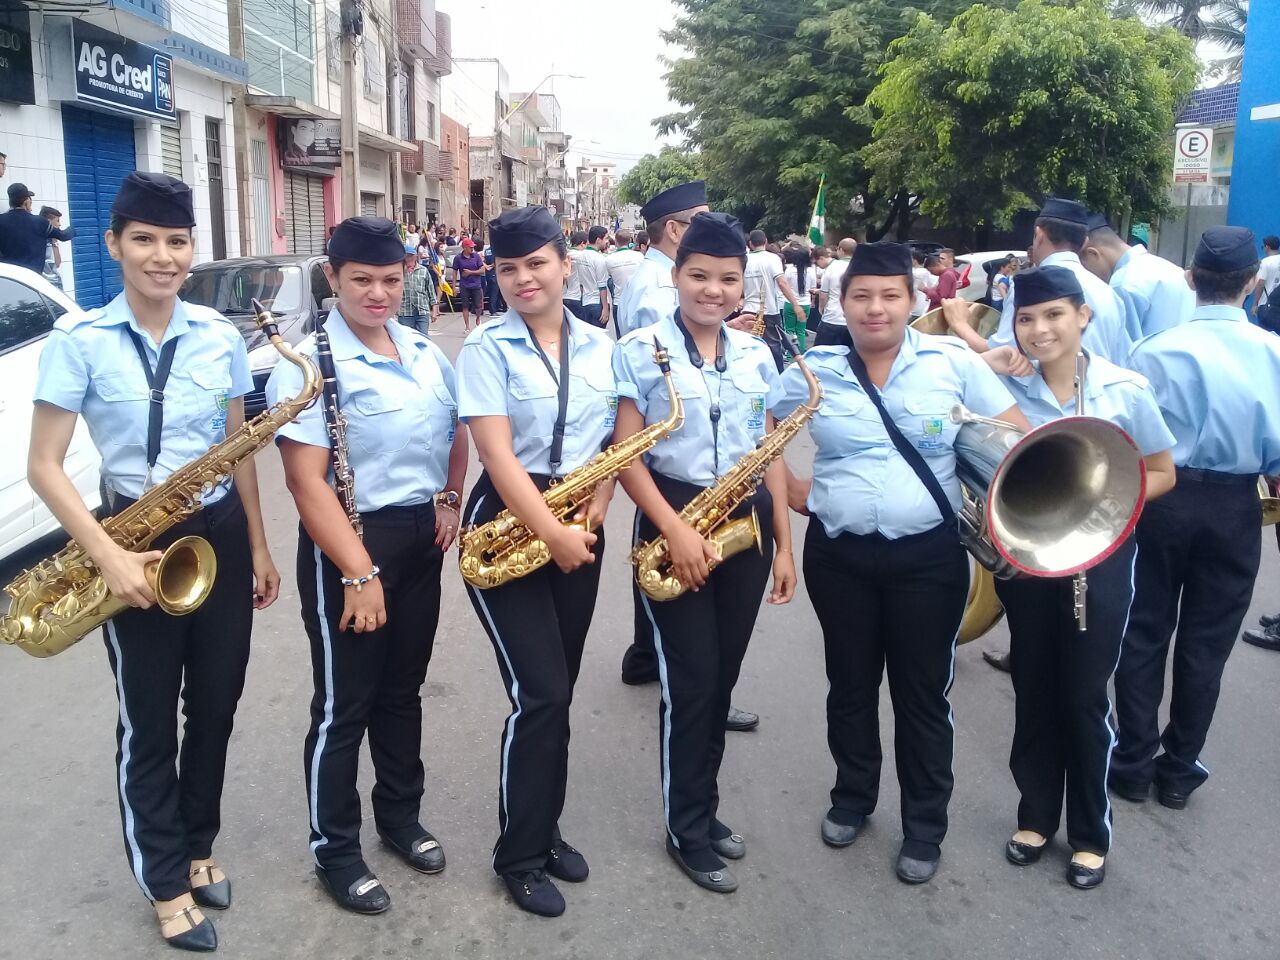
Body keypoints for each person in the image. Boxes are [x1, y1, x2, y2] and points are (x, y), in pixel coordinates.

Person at [28, 172, 279, 952]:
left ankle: (199, 845)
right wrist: (107, 555)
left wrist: (258, 545)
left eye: (177, 241)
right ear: (114, 245)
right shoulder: (79, 342)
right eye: (144, 240)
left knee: (216, 705)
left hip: (218, 532)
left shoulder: (220, 336)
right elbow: (44, 465)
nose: (162, 256)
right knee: (148, 721)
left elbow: (238, 449)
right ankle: (166, 881)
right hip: (131, 537)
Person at [773, 241, 1029, 885]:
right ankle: (852, 798)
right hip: (839, 557)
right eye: (861, 295)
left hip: (927, 560)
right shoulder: (816, 369)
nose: (875, 308)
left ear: (913, 301)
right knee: (850, 685)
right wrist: (795, 490)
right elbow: (762, 431)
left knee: (922, 696)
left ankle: (924, 826)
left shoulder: (953, 364)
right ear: (842, 302)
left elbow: (1016, 441)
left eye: (890, 295)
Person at [266, 215, 468, 917]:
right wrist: (358, 572)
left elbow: (455, 429)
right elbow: (305, 482)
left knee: (402, 691)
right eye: (361, 280)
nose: (377, 294)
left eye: (389, 279)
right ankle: (336, 849)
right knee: (343, 705)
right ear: (332, 277)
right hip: (350, 544)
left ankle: (400, 818)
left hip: (419, 540)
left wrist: (450, 497)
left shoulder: (423, 350)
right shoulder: (308, 364)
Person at [956, 267, 1176, 890]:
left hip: (1099, 560)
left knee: (1083, 696)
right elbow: (944, 395)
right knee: (1033, 685)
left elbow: (1162, 471)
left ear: (1083, 316)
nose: (1039, 329)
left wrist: (1097, 511)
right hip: (1026, 557)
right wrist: (985, 356)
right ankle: (1035, 817)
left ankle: (1089, 834)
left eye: (1054, 314)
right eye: (1026, 318)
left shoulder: (1126, 388)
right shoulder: (1000, 382)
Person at [613, 211, 796, 894]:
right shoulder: (639, 349)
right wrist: (675, 531)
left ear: (743, 284)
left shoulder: (756, 354)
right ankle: (686, 828)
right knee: (691, 684)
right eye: (699, 276)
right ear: (676, 276)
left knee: (720, 682)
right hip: (675, 521)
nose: (713, 290)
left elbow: (770, 449)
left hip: (745, 524)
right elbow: (625, 455)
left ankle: (705, 808)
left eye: (727, 279)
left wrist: (784, 545)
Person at [455, 206, 618, 918]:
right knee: (541, 692)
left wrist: (601, 499)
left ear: (564, 264)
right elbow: (496, 456)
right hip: (506, 524)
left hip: (580, 519)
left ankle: (544, 828)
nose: (524, 278)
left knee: (560, 689)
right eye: (509, 268)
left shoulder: (604, 346)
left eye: (537, 264)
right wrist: (552, 532)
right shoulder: (485, 348)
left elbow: (616, 437)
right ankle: (518, 856)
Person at [1110, 226, 1280, 810]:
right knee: (1208, 643)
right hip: (1235, 504)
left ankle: (1132, 763)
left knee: (1143, 630)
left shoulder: (1151, 350)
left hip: (1161, 496)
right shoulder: (1274, 352)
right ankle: (1180, 769)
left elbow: (1124, 437)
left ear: (1190, 278)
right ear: (1252, 283)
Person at [950, 199, 1133, 365]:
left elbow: (1004, 354)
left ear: (1039, 235)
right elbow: (1122, 359)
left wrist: (959, 324)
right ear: (1085, 242)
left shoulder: (1030, 287)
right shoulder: (1109, 292)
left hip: (1046, 391)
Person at [617, 181, 709, 337]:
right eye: (702, 224)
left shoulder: (656, 275)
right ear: (673, 230)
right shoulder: (662, 288)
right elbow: (673, 349)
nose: (710, 231)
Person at [1081, 216, 1194, 338]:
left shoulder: (1122, 283)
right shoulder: (1172, 269)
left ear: (1092, 254)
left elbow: (1123, 346)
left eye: (1083, 266)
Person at [739, 230, 805, 372]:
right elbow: (782, 283)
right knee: (774, 347)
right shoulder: (772, 258)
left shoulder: (743, 260)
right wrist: (795, 304)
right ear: (766, 241)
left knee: (749, 347)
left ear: (750, 244)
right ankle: (778, 377)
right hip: (768, 310)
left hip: (748, 310)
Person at [0, 182, 75, 273]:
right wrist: (73, 228)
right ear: (26, 201)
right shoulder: (39, 222)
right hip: (33, 277)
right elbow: (63, 236)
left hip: (10, 277)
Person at [814, 238, 855, 346]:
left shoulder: (832, 268)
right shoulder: (862, 267)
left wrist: (821, 310)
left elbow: (823, 296)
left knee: (822, 352)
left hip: (832, 318)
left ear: (840, 250)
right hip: (853, 321)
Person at [606, 228, 646, 335]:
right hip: (636, 300)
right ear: (630, 241)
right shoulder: (639, 257)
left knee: (621, 336)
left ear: (616, 241)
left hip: (619, 302)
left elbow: (608, 281)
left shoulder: (609, 259)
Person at [399, 243, 438, 335]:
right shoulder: (399, 271)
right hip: (405, 312)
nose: (408, 258)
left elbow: (431, 291)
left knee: (423, 337)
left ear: (415, 256)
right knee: (407, 338)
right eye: (406, 256)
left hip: (422, 311)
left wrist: (434, 311)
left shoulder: (423, 270)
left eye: (411, 256)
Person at [782, 245, 815, 351]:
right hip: (805, 303)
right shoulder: (811, 271)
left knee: (789, 330)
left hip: (790, 303)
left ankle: (790, 352)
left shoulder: (789, 270)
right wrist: (813, 301)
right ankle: (801, 351)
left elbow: (785, 286)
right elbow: (813, 288)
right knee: (801, 330)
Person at [452, 237, 486, 330]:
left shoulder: (476, 256)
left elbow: (482, 270)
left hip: (476, 285)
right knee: (465, 306)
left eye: (473, 247)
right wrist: (454, 287)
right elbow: (454, 272)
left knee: (478, 306)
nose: (472, 249)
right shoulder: (458, 258)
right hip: (464, 286)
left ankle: (478, 318)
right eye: (470, 247)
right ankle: (467, 326)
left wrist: (471, 272)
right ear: (465, 247)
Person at [1251, 234, 1280, 333]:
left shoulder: (1266, 262)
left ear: (1267, 247)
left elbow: (1260, 283)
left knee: (1266, 334)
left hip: (1266, 305)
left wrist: (1255, 303)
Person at [40, 204, 65, 290]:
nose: (59, 224)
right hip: (45, 287)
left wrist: (55, 241)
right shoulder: (40, 240)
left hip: (55, 285)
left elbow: (57, 263)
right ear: (48, 222)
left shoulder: (52, 240)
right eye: (57, 221)